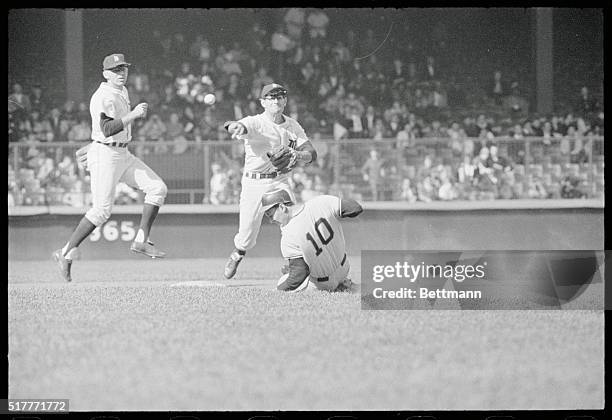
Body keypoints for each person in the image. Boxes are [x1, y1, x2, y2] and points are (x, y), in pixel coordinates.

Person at [52, 53, 168, 282]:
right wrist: (133, 115)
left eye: (123, 68)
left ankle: (141, 240)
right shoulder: (102, 95)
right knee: (101, 210)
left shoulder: (121, 91)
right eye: (116, 70)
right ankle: (65, 253)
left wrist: (96, 142)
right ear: (105, 74)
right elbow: (106, 129)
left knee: (158, 188)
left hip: (121, 153)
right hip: (106, 154)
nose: (121, 72)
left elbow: (102, 131)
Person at [222, 83, 317, 279]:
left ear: (285, 100)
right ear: (263, 102)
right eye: (271, 97)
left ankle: (294, 263)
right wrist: (236, 126)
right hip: (254, 183)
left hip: (279, 180)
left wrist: (298, 155)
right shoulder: (256, 122)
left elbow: (312, 153)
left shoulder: (292, 126)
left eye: (280, 96)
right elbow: (230, 124)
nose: (276, 100)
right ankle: (237, 254)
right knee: (246, 237)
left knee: (290, 220)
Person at [261, 188, 363, 292]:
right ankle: (345, 283)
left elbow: (298, 276)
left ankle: (338, 287)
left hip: (324, 284)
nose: (271, 220)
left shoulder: (288, 235)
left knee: (283, 280)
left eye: (270, 215)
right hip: (344, 268)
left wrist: (277, 290)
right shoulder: (320, 203)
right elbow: (355, 208)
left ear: (282, 207)